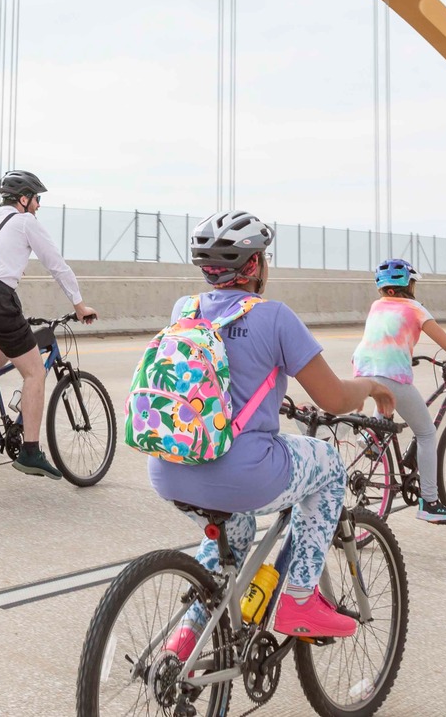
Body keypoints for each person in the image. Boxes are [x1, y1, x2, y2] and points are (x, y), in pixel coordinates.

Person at [149, 210, 397, 645]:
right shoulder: (274, 316)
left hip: (170, 468)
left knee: (236, 532)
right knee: (329, 465)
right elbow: (335, 399)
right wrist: (372, 385)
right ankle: (299, 597)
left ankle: (186, 637)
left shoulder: (183, 310)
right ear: (255, 266)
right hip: (243, 475)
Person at [0, 169, 98, 479]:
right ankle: (30, 451)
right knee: (34, 372)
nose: (38, 205)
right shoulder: (25, 222)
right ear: (23, 199)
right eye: (36, 199)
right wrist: (79, 305)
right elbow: (56, 265)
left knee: (12, 334)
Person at [351, 259, 446, 522]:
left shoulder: (376, 305)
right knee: (426, 433)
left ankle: (371, 439)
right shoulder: (416, 309)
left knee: (383, 401)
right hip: (391, 376)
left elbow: (386, 337)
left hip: (363, 371)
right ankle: (429, 502)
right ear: (409, 284)